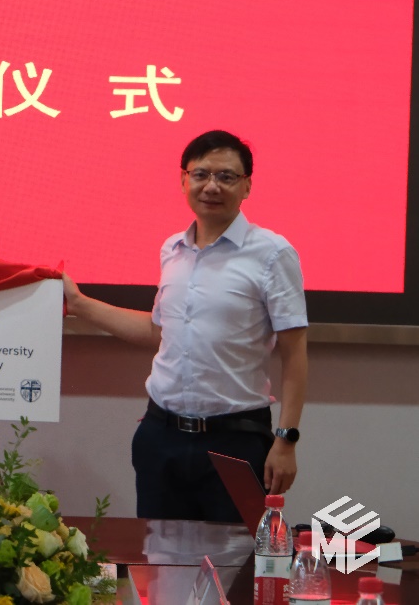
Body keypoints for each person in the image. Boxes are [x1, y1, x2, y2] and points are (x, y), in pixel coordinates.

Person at [63, 130, 307, 522]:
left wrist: (286, 440)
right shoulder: (172, 250)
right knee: (159, 554)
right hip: (161, 436)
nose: (212, 186)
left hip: (236, 441)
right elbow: (159, 333)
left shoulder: (272, 253)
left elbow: (295, 355)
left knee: (235, 556)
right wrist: (79, 305)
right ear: (183, 180)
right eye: (201, 174)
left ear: (246, 186)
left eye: (226, 176)